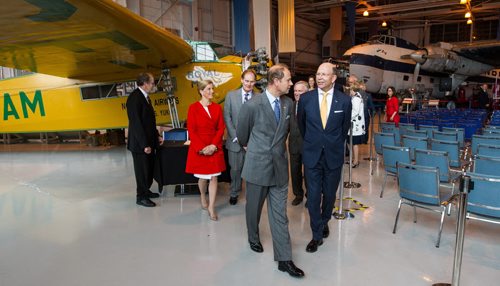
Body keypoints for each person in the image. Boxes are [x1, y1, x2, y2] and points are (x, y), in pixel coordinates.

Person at [237, 63, 304, 278]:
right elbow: (242, 135)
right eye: (288, 79)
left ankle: (284, 259)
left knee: (280, 215)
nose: (291, 83)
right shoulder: (252, 105)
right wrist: (257, 150)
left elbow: (292, 133)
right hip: (257, 166)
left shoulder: (288, 104)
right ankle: (253, 237)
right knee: (254, 209)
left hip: (279, 168)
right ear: (276, 81)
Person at [297, 63, 352, 253]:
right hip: (312, 156)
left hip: (333, 156)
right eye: (318, 73)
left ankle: (324, 220)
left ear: (333, 78)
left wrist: (332, 144)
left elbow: (344, 130)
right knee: (313, 196)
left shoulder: (344, 101)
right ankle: (316, 235)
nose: (320, 77)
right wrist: (314, 142)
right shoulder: (305, 99)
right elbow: (301, 125)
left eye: (324, 74)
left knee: (329, 195)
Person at [185, 80, 226, 221]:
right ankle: (203, 195)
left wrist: (213, 146)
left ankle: (211, 207)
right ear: (201, 91)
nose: (211, 92)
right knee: (203, 177)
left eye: (212, 89)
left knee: (214, 177)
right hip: (200, 147)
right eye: (208, 89)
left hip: (214, 146)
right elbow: (192, 130)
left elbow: (221, 128)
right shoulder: (193, 108)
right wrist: (202, 148)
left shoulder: (217, 108)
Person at [126, 72, 163, 207]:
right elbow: (136, 124)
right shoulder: (134, 98)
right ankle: (140, 197)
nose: (153, 85)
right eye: (152, 83)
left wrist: (156, 136)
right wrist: (144, 144)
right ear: (145, 83)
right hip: (140, 144)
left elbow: (149, 122)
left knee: (148, 169)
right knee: (142, 171)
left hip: (148, 141)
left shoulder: (146, 97)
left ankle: (146, 191)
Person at [223, 70, 259, 205]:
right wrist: (238, 138)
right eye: (247, 81)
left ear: (255, 82)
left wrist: (250, 141)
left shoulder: (259, 97)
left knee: (252, 171)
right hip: (235, 142)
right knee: (235, 170)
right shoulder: (231, 96)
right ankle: (234, 193)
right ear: (241, 80)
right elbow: (227, 117)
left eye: (252, 81)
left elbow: (259, 120)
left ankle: (252, 195)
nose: (249, 84)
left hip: (253, 143)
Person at [288, 80, 309, 206]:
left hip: (307, 146)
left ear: (306, 92)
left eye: (300, 91)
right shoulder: (291, 105)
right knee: (295, 172)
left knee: (309, 174)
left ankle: (310, 196)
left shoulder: (312, 106)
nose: (296, 93)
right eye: (295, 90)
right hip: (293, 145)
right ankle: (298, 195)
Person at [348, 75, 374, 144]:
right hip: (354, 118)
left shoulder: (365, 94)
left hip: (363, 115)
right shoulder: (350, 92)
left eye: (351, 82)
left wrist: (371, 114)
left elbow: (369, 106)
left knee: (364, 129)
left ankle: (364, 140)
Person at [348, 81, 366, 168]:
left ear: (353, 90)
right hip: (354, 124)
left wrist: (346, 117)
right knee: (351, 143)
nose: (349, 92)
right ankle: (353, 159)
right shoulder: (357, 97)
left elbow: (354, 111)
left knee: (354, 143)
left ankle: (355, 161)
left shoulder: (356, 98)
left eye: (350, 90)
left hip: (355, 125)